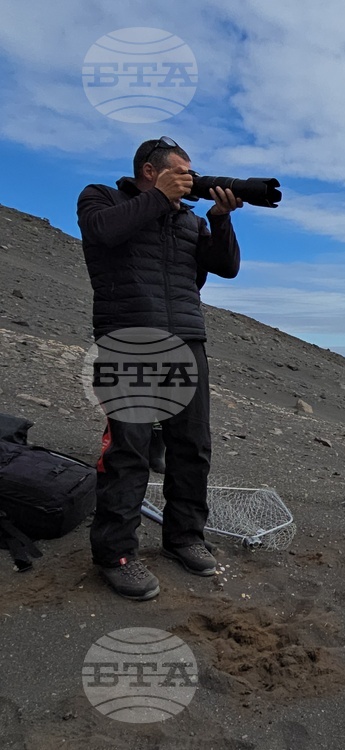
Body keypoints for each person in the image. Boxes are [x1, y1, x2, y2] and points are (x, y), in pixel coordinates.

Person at [77, 136, 243, 600]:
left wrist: (220, 219)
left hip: (186, 340)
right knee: (127, 449)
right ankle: (117, 555)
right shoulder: (101, 197)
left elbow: (225, 268)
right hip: (127, 335)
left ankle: (185, 537)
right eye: (182, 172)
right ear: (151, 171)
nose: (191, 180)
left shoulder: (187, 220)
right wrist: (157, 199)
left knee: (192, 445)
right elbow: (102, 233)